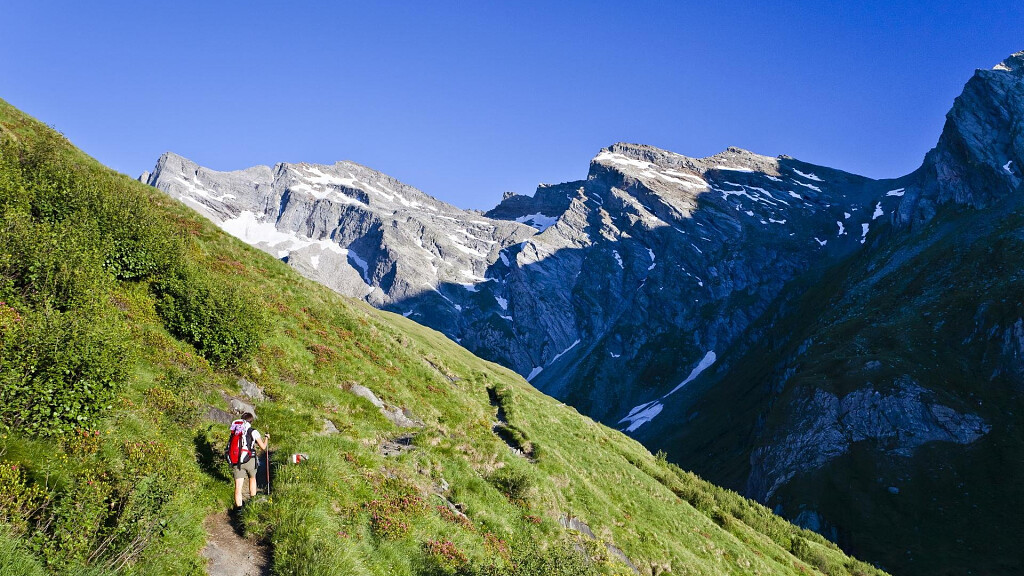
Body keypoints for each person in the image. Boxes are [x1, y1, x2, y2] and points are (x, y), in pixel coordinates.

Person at [226, 413, 269, 508]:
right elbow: (263, 447)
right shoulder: (252, 431)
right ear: (251, 421)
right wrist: (266, 438)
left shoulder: (235, 431)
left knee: (238, 487)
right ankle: (253, 502)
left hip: (237, 460)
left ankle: (238, 509)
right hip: (249, 459)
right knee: (252, 478)